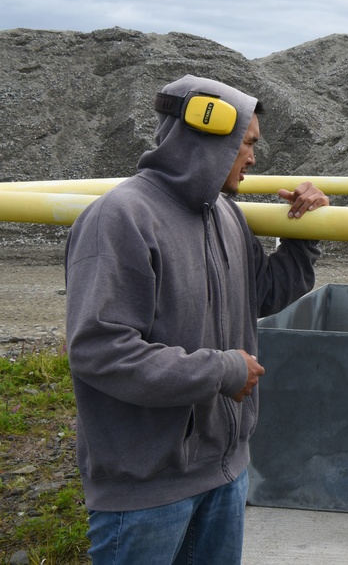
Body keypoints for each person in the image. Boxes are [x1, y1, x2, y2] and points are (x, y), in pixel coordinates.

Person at [64, 74, 330, 564]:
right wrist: (222, 370)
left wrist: (302, 235)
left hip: (224, 473)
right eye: (246, 144)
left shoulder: (226, 215)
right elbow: (100, 350)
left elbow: (263, 293)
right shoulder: (121, 217)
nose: (254, 157)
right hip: (147, 493)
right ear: (207, 139)